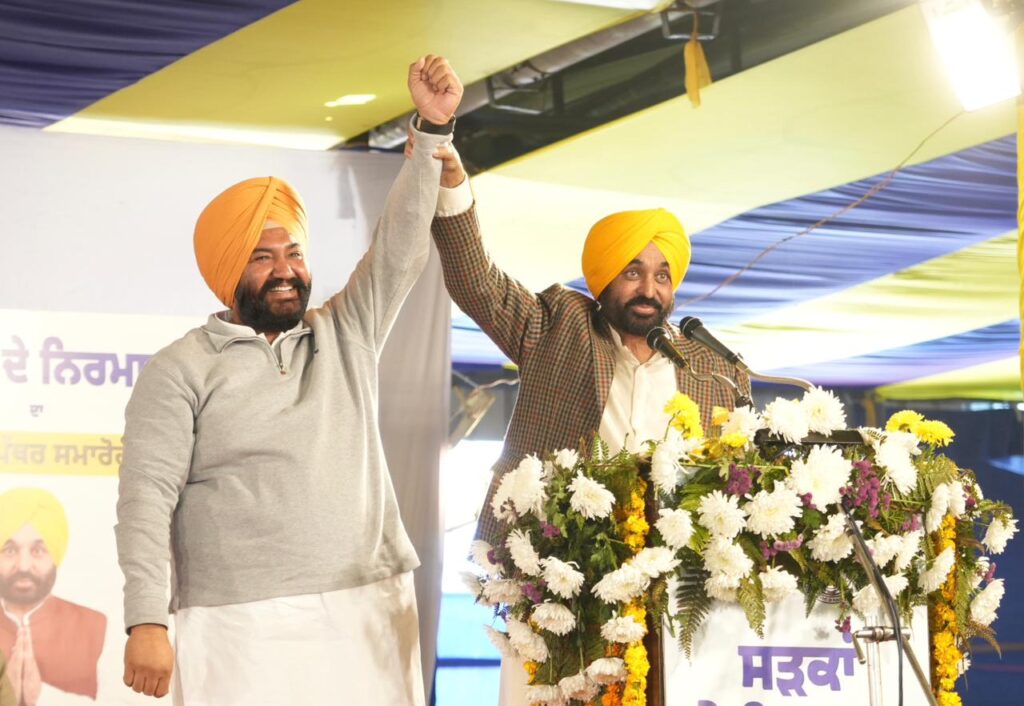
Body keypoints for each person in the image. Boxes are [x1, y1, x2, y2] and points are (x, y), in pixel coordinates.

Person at [115, 55, 462, 706]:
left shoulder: (346, 330)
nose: (285, 270)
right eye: (262, 256)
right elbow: (145, 502)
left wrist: (431, 135)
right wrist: (146, 620)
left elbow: (399, 246)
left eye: (294, 252)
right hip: (235, 622)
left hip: (368, 604)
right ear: (227, 271)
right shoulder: (180, 369)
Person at [423, 143, 750, 702]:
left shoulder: (712, 368)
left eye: (662, 275)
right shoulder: (560, 327)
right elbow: (477, 282)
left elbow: (735, 484)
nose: (649, 289)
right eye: (633, 272)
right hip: (559, 581)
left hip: (675, 599)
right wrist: (452, 186)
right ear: (602, 278)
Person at [0, 488, 106, 705]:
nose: (23, 565)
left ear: (56, 554)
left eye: (38, 551)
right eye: (9, 550)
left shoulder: (93, 625)